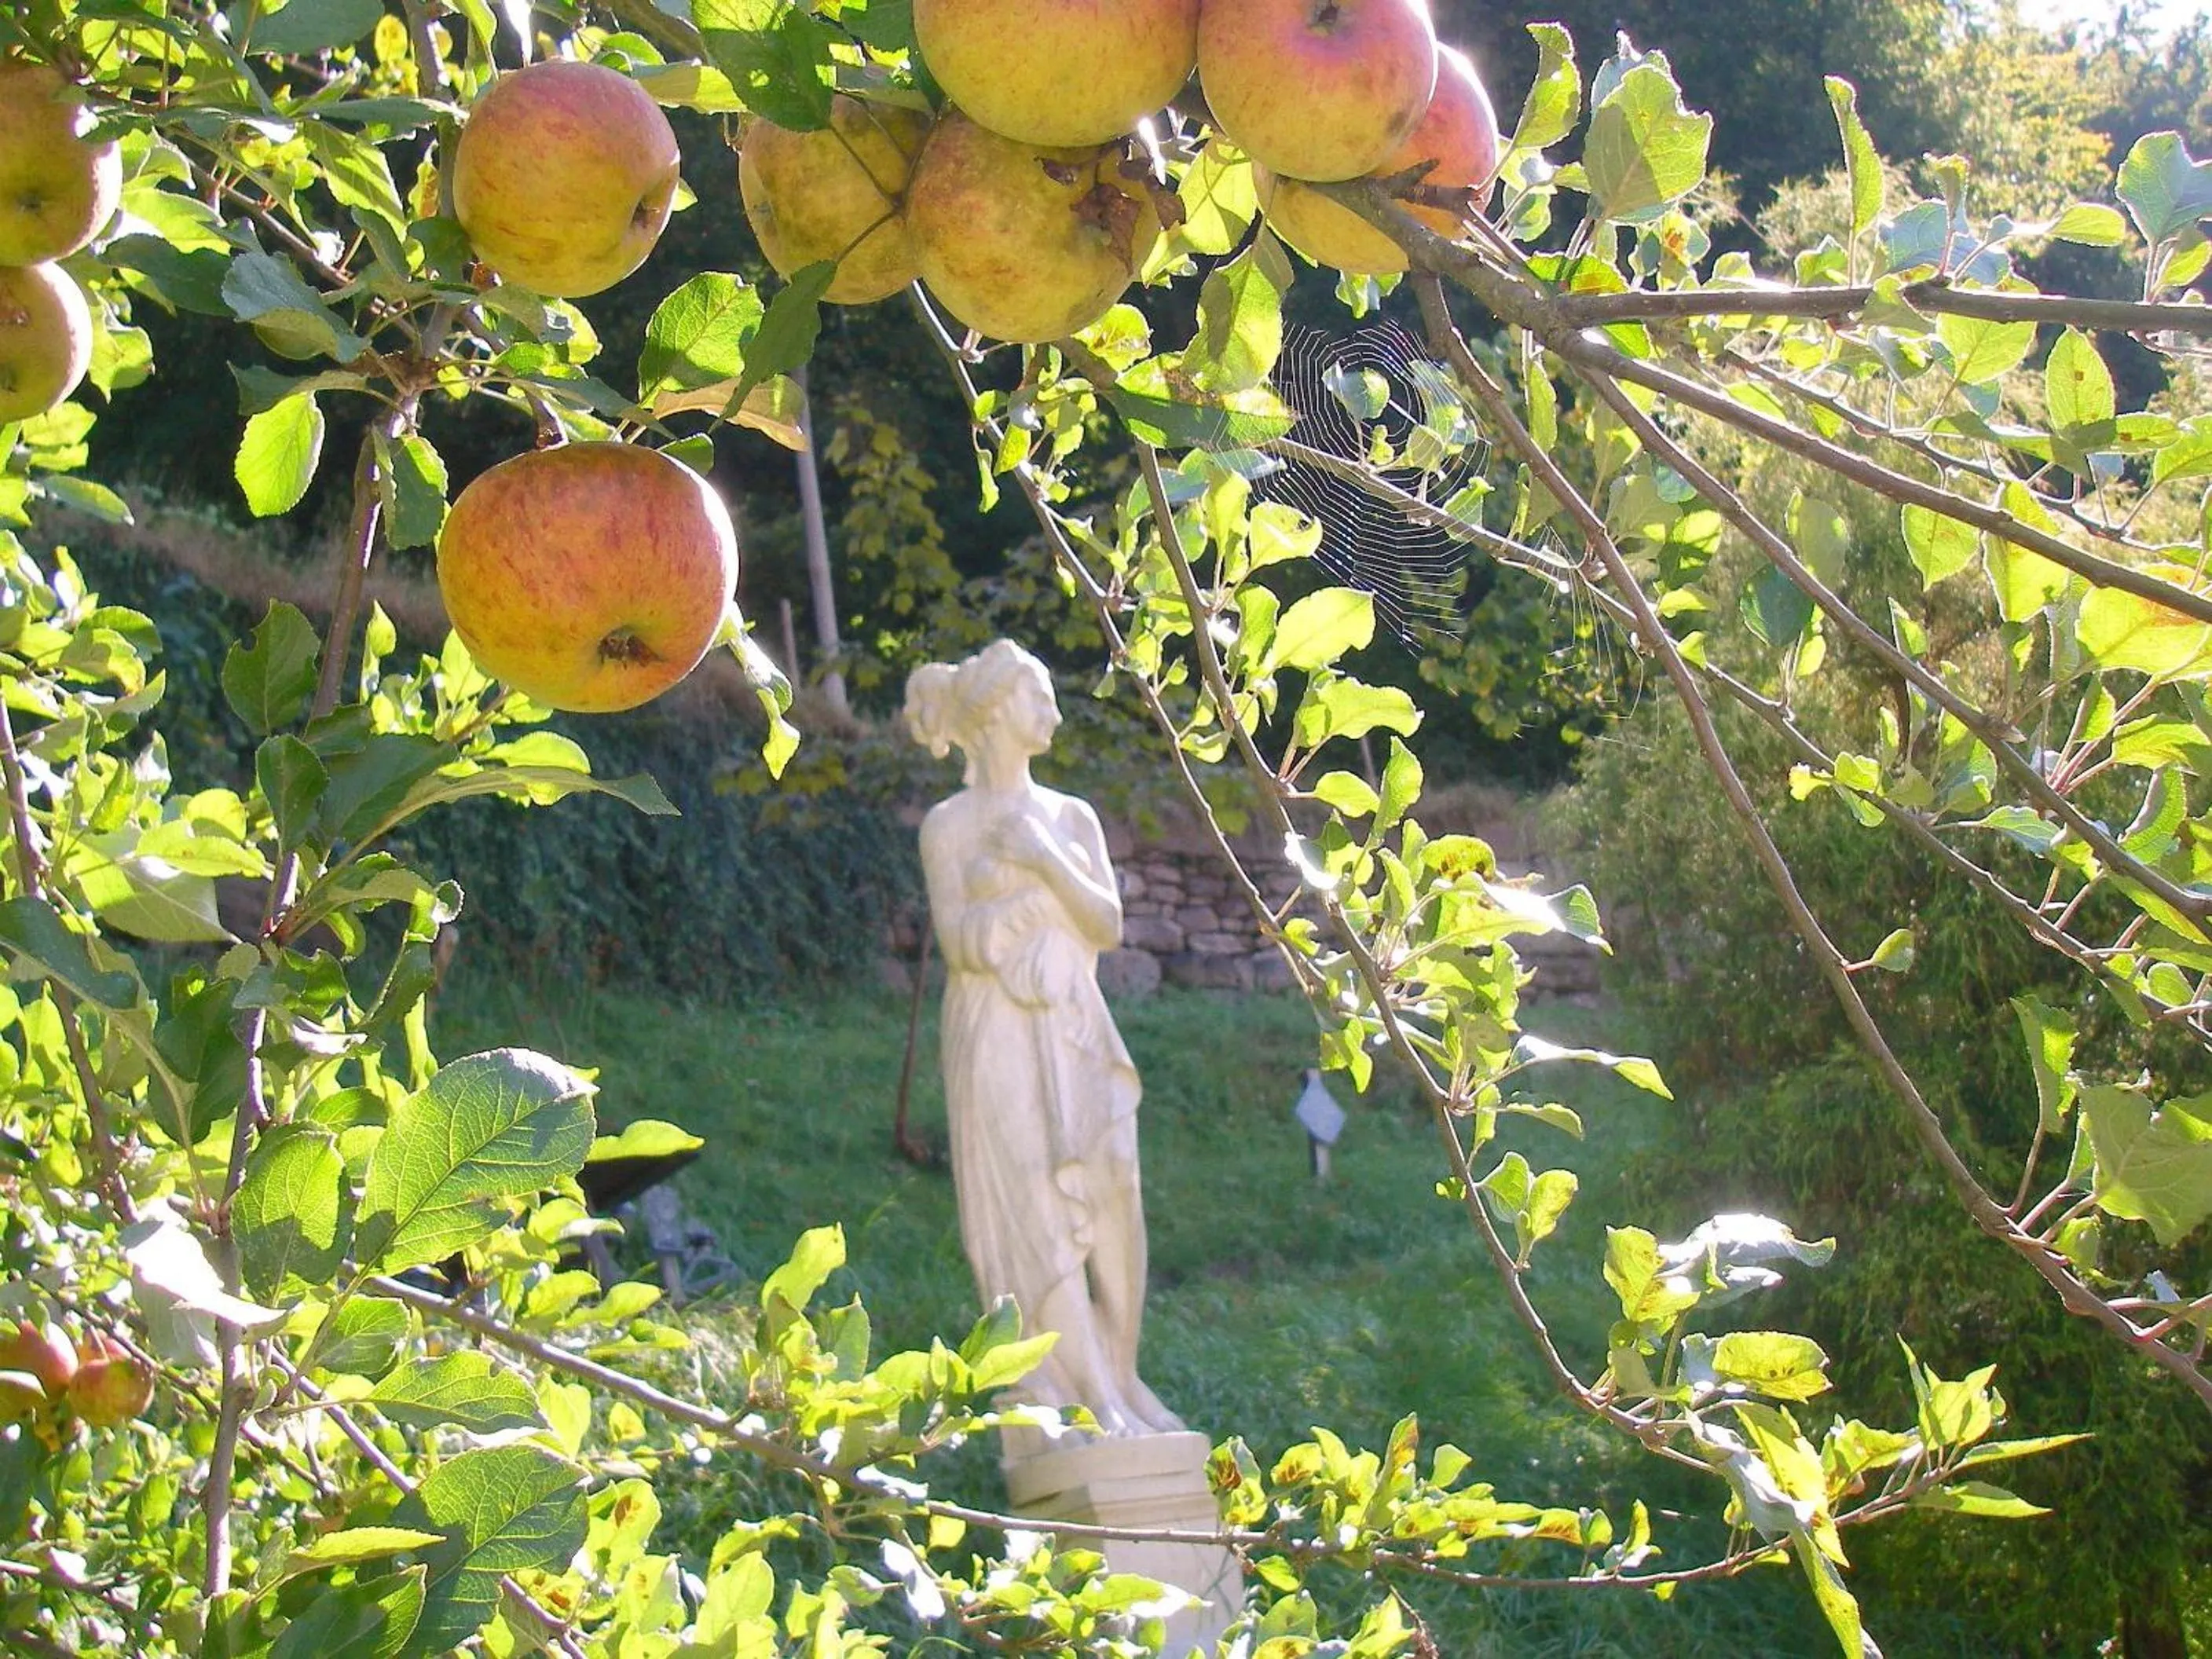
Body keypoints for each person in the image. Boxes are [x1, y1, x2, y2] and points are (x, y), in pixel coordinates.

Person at [906, 639, 1181, 1438]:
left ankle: (1123, 1372)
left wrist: (1042, 862)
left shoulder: (1069, 817)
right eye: (1038, 697)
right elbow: (962, 947)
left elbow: (1106, 922)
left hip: (1075, 1025)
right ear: (994, 715)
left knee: (1115, 1190)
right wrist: (1019, 915)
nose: (1054, 712)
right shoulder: (946, 826)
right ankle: (1088, 1394)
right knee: (1033, 1204)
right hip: (994, 1033)